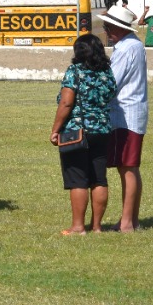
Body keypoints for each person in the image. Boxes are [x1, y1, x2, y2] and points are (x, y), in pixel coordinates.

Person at [50, 34, 118, 235]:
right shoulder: (107, 72)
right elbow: (111, 95)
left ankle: (78, 227)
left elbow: (67, 102)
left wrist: (55, 130)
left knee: (78, 178)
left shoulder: (75, 71)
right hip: (103, 130)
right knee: (99, 178)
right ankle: (96, 226)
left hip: (78, 131)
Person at [99, 4, 149, 232]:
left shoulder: (125, 48)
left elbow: (112, 82)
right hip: (132, 113)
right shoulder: (134, 45)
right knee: (129, 167)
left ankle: (127, 222)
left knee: (126, 167)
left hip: (124, 115)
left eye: (108, 26)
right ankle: (131, 220)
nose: (106, 30)